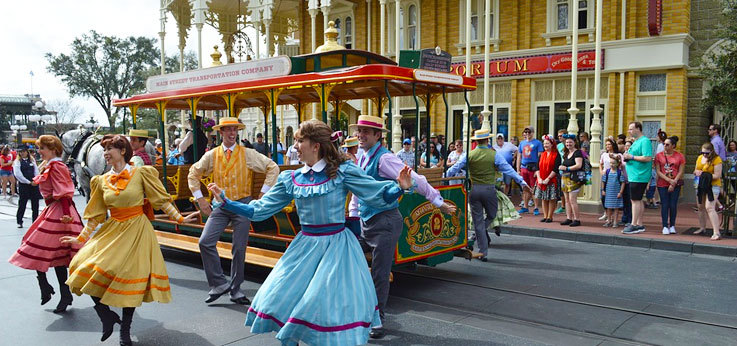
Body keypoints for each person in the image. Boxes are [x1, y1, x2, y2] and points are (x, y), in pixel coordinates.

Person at [207, 119, 412, 346]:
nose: (295, 146)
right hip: (304, 247)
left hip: (336, 249)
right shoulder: (292, 179)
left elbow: (374, 193)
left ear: (316, 145)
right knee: (281, 296)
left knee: (322, 305)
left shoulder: (342, 172)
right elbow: (259, 210)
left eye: (299, 140)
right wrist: (227, 202)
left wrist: (398, 187)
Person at [60, 134, 195, 345]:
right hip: (113, 229)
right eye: (103, 150)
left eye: (108, 150)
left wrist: (180, 218)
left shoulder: (141, 173)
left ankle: (125, 329)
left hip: (137, 230)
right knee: (80, 266)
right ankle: (106, 314)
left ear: (122, 151)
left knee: (127, 280)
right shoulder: (100, 181)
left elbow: (160, 200)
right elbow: (95, 215)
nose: (104, 154)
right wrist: (80, 238)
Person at [348, 114, 456, 339]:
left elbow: (415, 179)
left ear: (378, 136)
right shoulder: (363, 155)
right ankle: (358, 310)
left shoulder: (384, 158)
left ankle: (377, 320)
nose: (361, 135)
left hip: (385, 222)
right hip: (368, 222)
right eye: (359, 130)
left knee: (379, 272)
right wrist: (354, 214)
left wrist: (437, 202)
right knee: (349, 260)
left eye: (366, 131)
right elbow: (360, 189)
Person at [188, 117, 280, 305]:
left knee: (239, 248)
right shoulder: (212, 155)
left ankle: (236, 290)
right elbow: (193, 173)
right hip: (220, 205)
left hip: (241, 205)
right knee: (205, 242)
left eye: (234, 130)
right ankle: (219, 283)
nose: (231, 133)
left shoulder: (247, 153)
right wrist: (200, 199)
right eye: (227, 130)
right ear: (220, 132)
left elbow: (273, 167)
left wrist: (263, 194)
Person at [7, 136, 82, 315]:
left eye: (42, 148)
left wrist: (65, 215)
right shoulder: (50, 165)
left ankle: (58, 291)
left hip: (60, 212)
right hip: (53, 209)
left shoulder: (57, 166)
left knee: (50, 252)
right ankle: (53, 289)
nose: (39, 152)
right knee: (45, 251)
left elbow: (64, 192)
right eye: (39, 148)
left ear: (53, 149)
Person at [447, 129, 529, 261]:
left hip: (474, 190)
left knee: (478, 222)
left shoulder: (469, 154)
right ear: (487, 140)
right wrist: (522, 181)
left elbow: (453, 169)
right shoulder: (493, 155)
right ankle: (481, 235)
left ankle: (483, 251)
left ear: (476, 141)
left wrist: (444, 178)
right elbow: (508, 168)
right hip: (489, 190)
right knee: (492, 214)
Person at [622, 122, 653, 234]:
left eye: (631, 129)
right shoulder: (636, 142)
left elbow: (647, 157)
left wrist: (632, 157)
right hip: (634, 174)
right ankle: (639, 224)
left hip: (639, 175)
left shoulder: (644, 141)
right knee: (638, 199)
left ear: (638, 129)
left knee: (634, 200)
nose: (629, 131)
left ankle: (634, 224)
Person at [654, 136, 685, 235]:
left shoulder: (680, 156)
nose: (665, 146)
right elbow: (658, 171)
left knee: (673, 205)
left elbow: (681, 171)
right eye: (664, 144)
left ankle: (672, 225)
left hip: (675, 183)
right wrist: (668, 180)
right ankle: (664, 226)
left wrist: (674, 182)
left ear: (673, 146)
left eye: (667, 144)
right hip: (662, 183)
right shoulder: (659, 156)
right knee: (665, 204)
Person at [693, 142, 723, 240]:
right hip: (700, 185)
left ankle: (716, 232)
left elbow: (717, 175)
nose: (704, 155)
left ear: (711, 151)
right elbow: (695, 170)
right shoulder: (700, 158)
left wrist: (705, 174)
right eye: (703, 153)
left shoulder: (716, 159)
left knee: (709, 207)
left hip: (712, 186)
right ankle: (702, 227)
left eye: (707, 153)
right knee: (700, 206)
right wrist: (697, 172)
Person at [13, 145, 42, 228]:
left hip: (33, 184)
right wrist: (28, 182)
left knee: (35, 204)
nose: (22, 153)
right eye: (20, 152)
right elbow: (18, 174)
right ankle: (19, 220)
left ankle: (35, 221)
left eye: (23, 151)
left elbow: (36, 171)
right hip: (24, 185)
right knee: (22, 203)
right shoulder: (17, 162)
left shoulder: (32, 160)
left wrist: (36, 180)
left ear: (27, 152)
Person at [559, 134, 584, 227]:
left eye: (570, 142)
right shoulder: (566, 153)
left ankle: (577, 219)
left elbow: (578, 165)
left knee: (572, 199)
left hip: (573, 178)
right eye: (567, 142)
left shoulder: (577, 152)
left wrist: (567, 168)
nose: (568, 144)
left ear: (574, 143)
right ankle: (569, 218)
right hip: (565, 178)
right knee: (566, 200)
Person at [534, 135, 561, 223]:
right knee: (543, 198)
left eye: (547, 143)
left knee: (551, 198)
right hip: (541, 179)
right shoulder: (542, 155)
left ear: (552, 144)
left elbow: (555, 169)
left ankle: (550, 216)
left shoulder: (556, 155)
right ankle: (545, 216)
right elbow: (537, 167)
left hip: (551, 179)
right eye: (544, 143)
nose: (545, 145)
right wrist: (539, 178)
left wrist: (548, 179)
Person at [517, 126, 543, 215]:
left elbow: (540, 157)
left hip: (533, 168)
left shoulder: (538, 143)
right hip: (524, 167)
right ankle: (525, 206)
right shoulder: (522, 143)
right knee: (525, 188)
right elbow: (519, 156)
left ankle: (536, 207)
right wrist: (518, 169)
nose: (527, 134)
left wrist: (537, 170)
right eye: (526, 132)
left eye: (529, 132)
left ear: (533, 133)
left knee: (533, 188)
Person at [599, 138, 621, 220]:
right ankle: (606, 212)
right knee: (603, 195)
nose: (607, 146)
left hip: (614, 176)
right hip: (606, 175)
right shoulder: (604, 155)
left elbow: (620, 163)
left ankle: (612, 216)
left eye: (609, 144)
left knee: (612, 196)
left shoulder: (617, 154)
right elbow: (600, 164)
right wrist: (601, 171)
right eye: (606, 144)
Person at [602, 156, 626, 228]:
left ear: (617, 164)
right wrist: (603, 190)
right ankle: (609, 220)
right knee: (608, 207)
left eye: (613, 163)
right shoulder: (607, 171)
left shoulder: (619, 172)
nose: (612, 165)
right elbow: (603, 181)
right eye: (611, 163)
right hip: (609, 192)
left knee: (616, 208)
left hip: (616, 192)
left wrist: (621, 192)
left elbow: (623, 182)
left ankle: (615, 221)